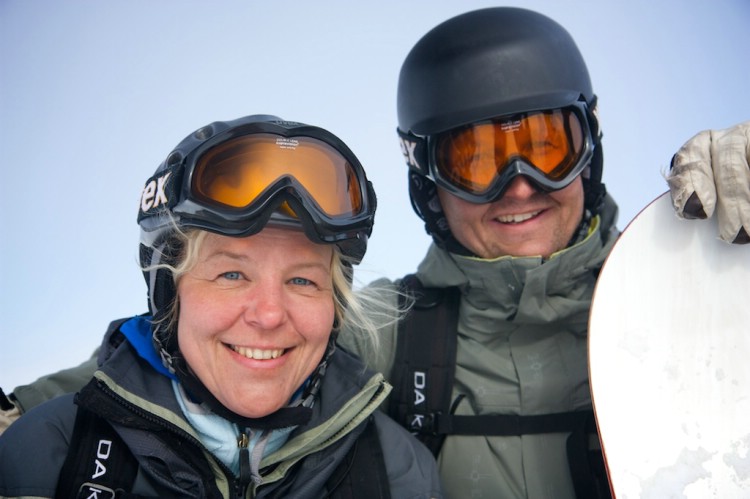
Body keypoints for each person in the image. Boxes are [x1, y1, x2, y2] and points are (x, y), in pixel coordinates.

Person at [2, 7, 749, 499]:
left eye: (547, 145)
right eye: (477, 158)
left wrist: (727, 250)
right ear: (429, 181)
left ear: (589, 150)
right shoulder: (388, 329)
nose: (519, 185)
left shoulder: (692, 294)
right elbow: (171, 361)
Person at [0, 114, 443, 498]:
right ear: (169, 294)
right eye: (232, 275)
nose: (269, 315)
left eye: (303, 280)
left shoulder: (400, 470)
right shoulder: (49, 453)